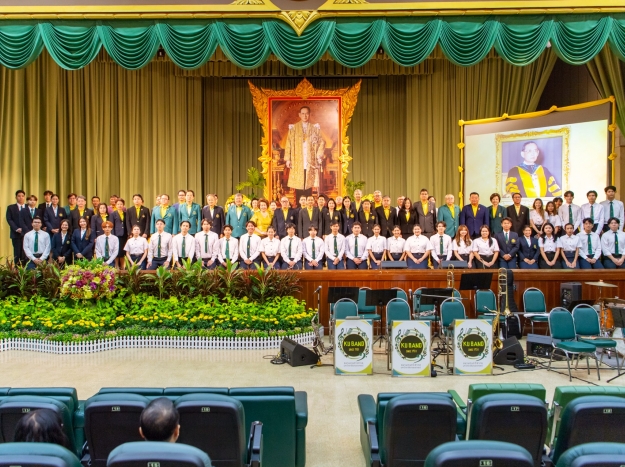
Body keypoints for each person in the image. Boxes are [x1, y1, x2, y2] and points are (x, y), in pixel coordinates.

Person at [284, 106, 326, 198]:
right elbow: (288, 144)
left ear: (309, 114)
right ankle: (300, 207)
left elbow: (321, 142)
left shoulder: (315, 128)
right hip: (297, 160)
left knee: (308, 184)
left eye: (307, 113)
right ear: (299, 115)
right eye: (303, 113)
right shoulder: (293, 128)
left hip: (309, 160)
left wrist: (319, 155)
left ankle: (308, 206)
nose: (305, 115)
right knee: (299, 184)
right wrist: (288, 159)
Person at [6, 189, 26, 265]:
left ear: (24, 197)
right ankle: (17, 272)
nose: (21, 197)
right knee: (17, 253)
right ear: (16, 197)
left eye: (22, 196)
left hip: (26, 234)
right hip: (16, 234)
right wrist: (16, 228)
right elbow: (9, 219)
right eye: (19, 196)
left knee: (25, 254)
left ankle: (26, 271)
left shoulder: (28, 207)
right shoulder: (11, 207)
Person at [111, 198, 127, 269]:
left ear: (123, 205)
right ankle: (116, 265)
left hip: (124, 235)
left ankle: (123, 266)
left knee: (123, 251)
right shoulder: (113, 214)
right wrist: (113, 235)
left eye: (121, 204)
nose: (120, 205)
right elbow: (112, 225)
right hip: (116, 235)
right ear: (115, 205)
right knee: (117, 251)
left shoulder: (126, 213)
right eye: (118, 204)